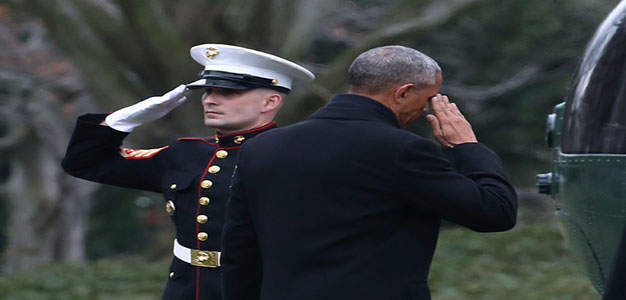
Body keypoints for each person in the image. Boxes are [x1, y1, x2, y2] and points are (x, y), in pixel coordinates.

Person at [221, 45, 518, 300]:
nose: (426, 108)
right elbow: (494, 212)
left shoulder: (261, 147)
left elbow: (239, 252)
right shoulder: (401, 150)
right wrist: (466, 146)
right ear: (403, 93)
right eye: (428, 97)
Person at [61, 44, 314, 300]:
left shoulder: (296, 156)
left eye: (228, 92)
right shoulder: (186, 153)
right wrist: (121, 121)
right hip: (186, 289)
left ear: (270, 101)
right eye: (208, 91)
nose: (211, 99)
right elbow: (84, 163)